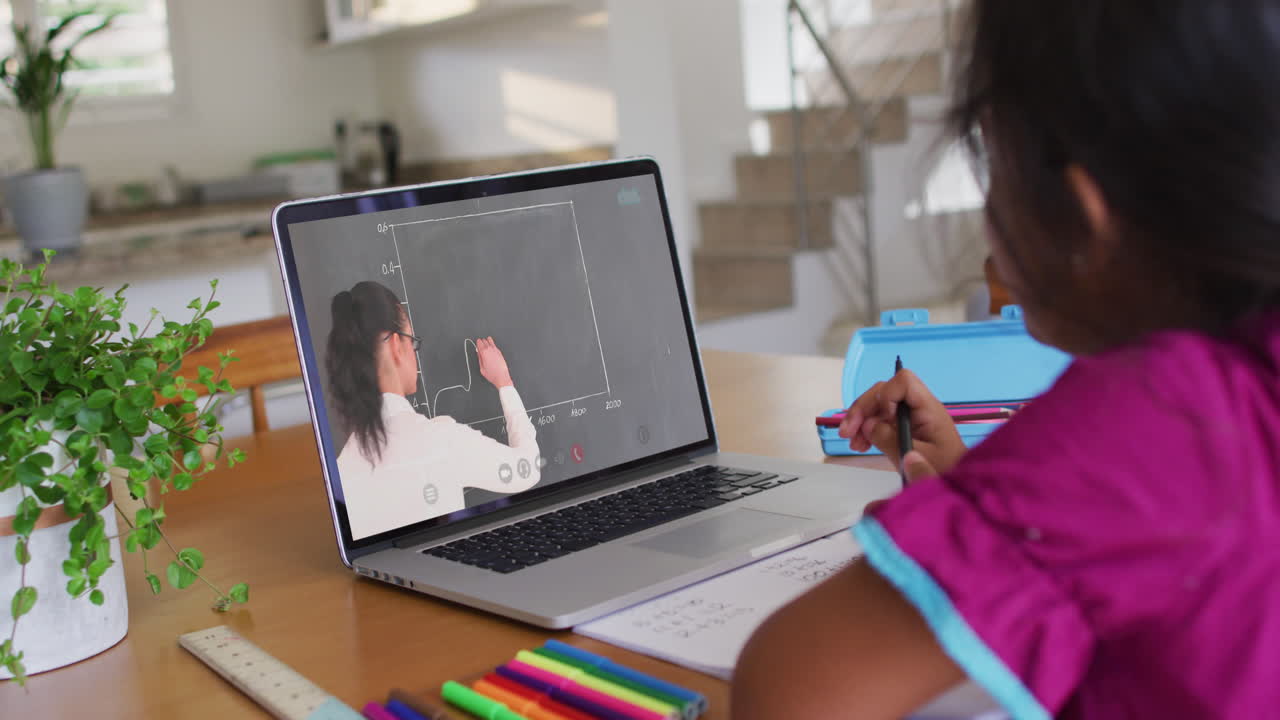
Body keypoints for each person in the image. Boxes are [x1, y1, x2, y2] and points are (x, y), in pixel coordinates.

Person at [734, 1, 1280, 717]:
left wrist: (991, 516)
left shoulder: (1153, 419)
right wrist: (977, 498)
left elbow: (788, 694)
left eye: (991, 161)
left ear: (1086, 217)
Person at [325, 281, 540, 538]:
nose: (415, 355)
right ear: (396, 346)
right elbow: (526, 469)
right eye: (412, 342)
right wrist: (504, 382)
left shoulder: (342, 470)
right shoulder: (441, 441)